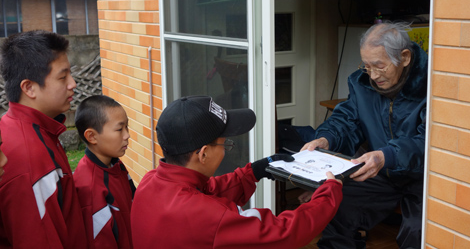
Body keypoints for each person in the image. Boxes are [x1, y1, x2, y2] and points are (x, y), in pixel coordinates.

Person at [131, 95, 344, 248]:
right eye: (225, 144)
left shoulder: (150, 182)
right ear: (203, 154)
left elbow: (209, 192)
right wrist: (328, 195)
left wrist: (253, 172)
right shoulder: (210, 217)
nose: (226, 149)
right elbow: (283, 232)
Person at [302, 22, 427, 248]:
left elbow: (429, 142)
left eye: (379, 65)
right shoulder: (362, 83)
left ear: (405, 57)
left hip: (424, 178)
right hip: (382, 173)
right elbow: (348, 120)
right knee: (337, 204)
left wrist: (386, 156)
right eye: (366, 65)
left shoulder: (431, 84)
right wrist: (326, 138)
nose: (372, 75)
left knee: (419, 232)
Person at [0, 30, 87, 248]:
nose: (73, 83)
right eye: (62, 77)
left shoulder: (31, 129)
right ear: (29, 88)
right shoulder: (30, 159)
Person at [73, 95, 136, 249]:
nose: (127, 135)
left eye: (127, 127)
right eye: (120, 129)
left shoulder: (116, 165)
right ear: (92, 136)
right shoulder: (89, 188)